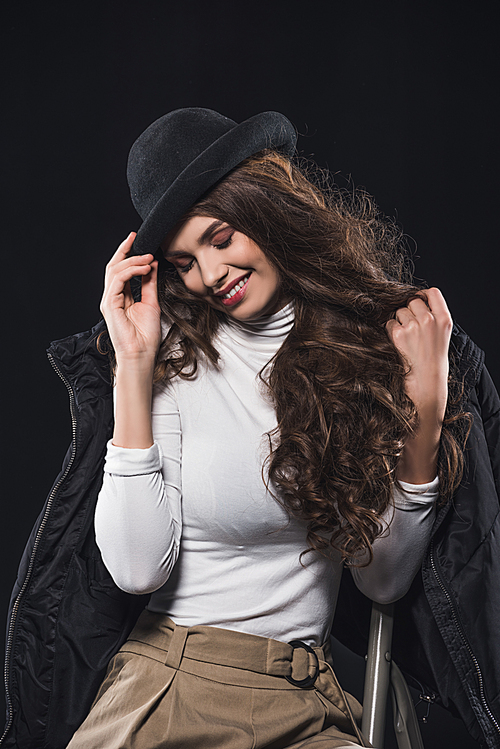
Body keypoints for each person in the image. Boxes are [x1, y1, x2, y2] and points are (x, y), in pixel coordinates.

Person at [4, 109, 500, 749]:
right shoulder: (175, 362)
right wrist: (133, 364)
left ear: (271, 211)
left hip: (304, 701)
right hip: (168, 691)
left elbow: (382, 578)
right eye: (183, 262)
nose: (209, 277)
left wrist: (425, 410)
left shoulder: (361, 357)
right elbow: (135, 568)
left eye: (221, 238)